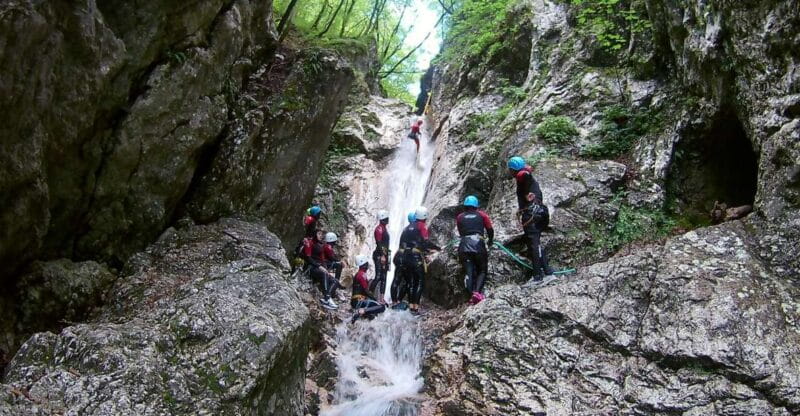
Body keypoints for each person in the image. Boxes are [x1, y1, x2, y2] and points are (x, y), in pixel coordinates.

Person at [507, 156, 553, 283]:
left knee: (533, 245)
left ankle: (538, 276)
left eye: (510, 170)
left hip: (533, 215)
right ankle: (547, 270)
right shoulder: (526, 179)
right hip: (536, 213)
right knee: (534, 243)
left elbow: (524, 175)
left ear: (513, 170)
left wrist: (523, 174)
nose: (509, 172)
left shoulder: (524, 176)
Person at [397, 206, 440, 314]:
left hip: (405, 256)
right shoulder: (422, 227)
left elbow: (402, 243)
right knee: (420, 281)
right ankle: (415, 307)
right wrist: (437, 248)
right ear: (424, 217)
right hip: (416, 257)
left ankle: (411, 305)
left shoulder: (406, 228)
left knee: (411, 281)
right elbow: (425, 242)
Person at [456, 195, 494, 304]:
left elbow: (461, 232)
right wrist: (490, 240)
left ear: (465, 206)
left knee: (469, 271)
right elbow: (490, 230)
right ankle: (477, 293)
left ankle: (470, 294)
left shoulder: (460, 217)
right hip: (478, 244)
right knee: (482, 270)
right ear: (476, 206)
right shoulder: (482, 215)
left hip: (464, 245)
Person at [303, 230, 339, 309]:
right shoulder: (309, 242)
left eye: (321, 234)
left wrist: (325, 268)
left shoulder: (320, 245)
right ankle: (327, 298)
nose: (321, 236)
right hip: (311, 267)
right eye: (319, 234)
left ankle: (327, 298)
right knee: (324, 274)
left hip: (319, 268)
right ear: (314, 234)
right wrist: (319, 266)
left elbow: (322, 259)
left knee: (335, 281)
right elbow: (308, 258)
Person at [391, 211, 417, 307]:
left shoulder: (405, 229)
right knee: (409, 281)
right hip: (405, 257)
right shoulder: (414, 229)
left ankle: (395, 301)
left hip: (398, 255)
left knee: (397, 279)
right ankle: (405, 302)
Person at [350, 254, 387, 323]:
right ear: (364, 264)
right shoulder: (362, 275)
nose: (368, 265)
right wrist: (377, 300)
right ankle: (361, 311)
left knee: (373, 314)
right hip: (358, 301)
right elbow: (366, 291)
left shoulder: (359, 274)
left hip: (356, 300)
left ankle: (361, 315)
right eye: (367, 263)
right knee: (382, 307)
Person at [370, 210, 390, 303]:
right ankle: (368, 294)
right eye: (387, 218)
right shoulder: (379, 229)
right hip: (379, 255)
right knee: (378, 276)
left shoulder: (384, 228)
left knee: (384, 277)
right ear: (383, 219)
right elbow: (379, 243)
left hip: (385, 254)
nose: (388, 219)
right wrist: (382, 255)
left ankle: (382, 298)